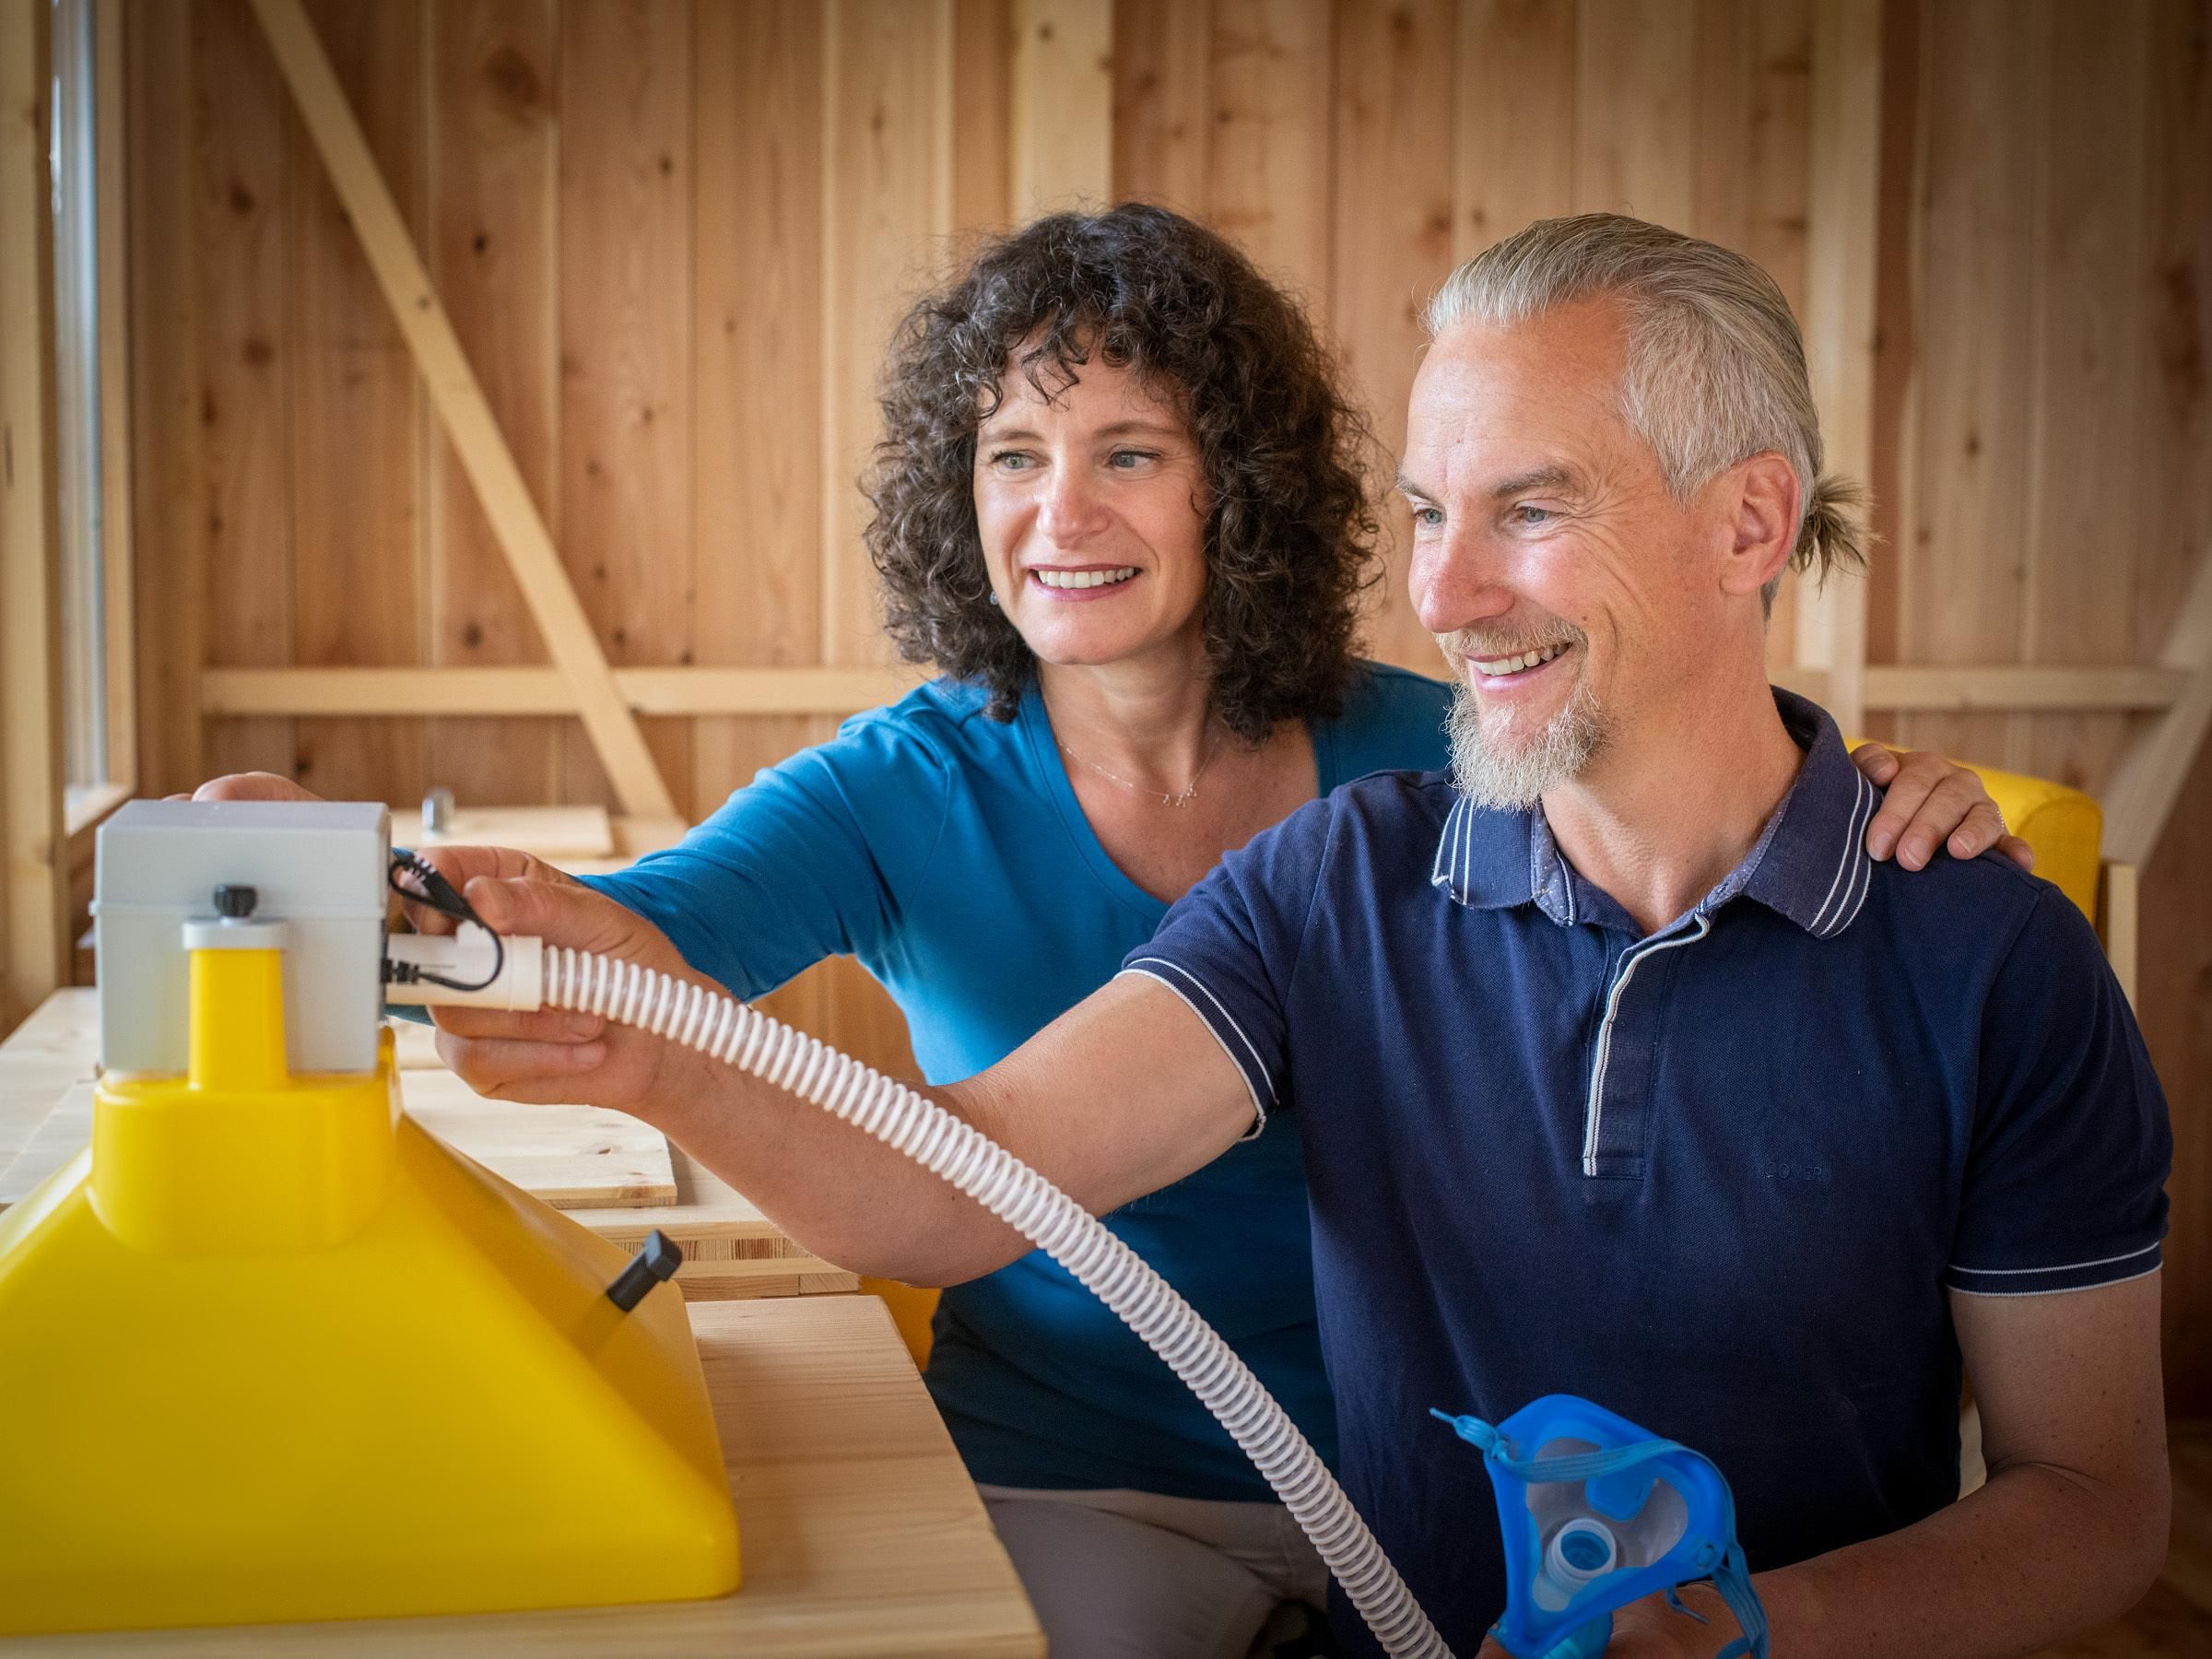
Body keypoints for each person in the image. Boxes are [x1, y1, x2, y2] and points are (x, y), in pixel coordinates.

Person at [194, 207, 2035, 1659]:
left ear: (1235, 484)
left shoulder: (1445, 760)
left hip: (1422, 1486)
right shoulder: (905, 785)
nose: (1058, 514)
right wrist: (374, 896)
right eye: (1010, 457)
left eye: (1129, 454)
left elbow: (1682, 796)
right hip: (1071, 1471)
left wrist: (1872, 789)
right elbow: (635, 946)